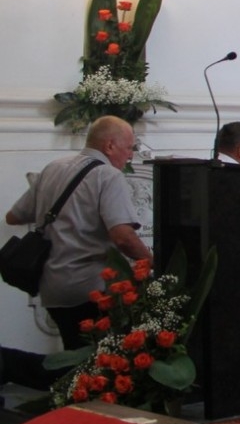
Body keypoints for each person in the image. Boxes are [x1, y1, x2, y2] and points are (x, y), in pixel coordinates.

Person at [3, 117, 153, 389]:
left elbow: (14, 216)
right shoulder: (108, 175)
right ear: (110, 145)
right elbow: (123, 237)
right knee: (91, 372)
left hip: (52, 287)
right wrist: (151, 263)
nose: (131, 155)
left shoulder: (53, 167)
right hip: (90, 288)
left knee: (77, 363)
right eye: (129, 148)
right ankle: (7, 363)